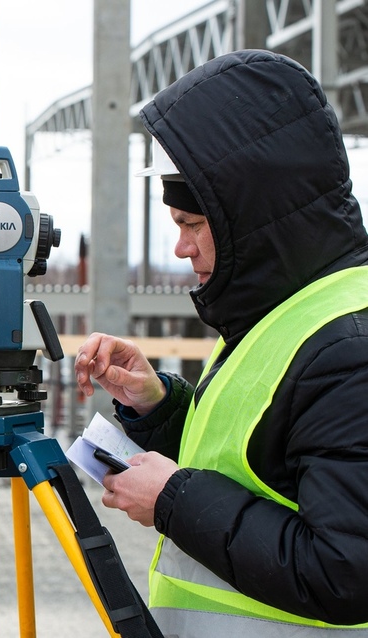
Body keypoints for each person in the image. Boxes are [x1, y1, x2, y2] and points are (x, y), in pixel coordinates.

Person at [74, 50, 368, 636]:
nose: (181, 249)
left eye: (191, 225)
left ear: (250, 218)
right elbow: (263, 462)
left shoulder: (348, 348)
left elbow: (346, 572)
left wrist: (174, 501)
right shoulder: (285, 311)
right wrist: (158, 406)